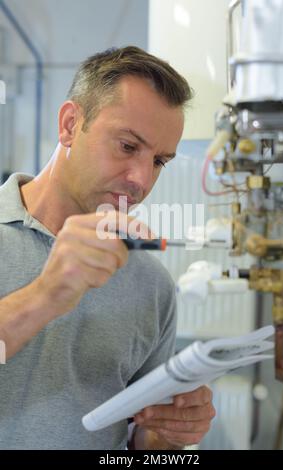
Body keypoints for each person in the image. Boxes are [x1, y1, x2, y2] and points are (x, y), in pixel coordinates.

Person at [0, 46, 215, 450]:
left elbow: (143, 449)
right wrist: (46, 296)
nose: (141, 179)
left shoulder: (152, 286)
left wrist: (164, 434)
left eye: (159, 161)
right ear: (69, 124)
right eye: (128, 146)